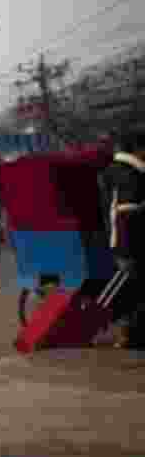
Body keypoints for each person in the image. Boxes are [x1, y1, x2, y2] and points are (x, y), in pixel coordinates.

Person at [99, 130, 145, 349]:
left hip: (122, 243)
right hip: (131, 244)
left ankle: (128, 335)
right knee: (138, 293)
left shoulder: (113, 171)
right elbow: (126, 214)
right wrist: (125, 252)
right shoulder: (129, 174)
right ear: (138, 149)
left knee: (134, 291)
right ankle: (131, 338)